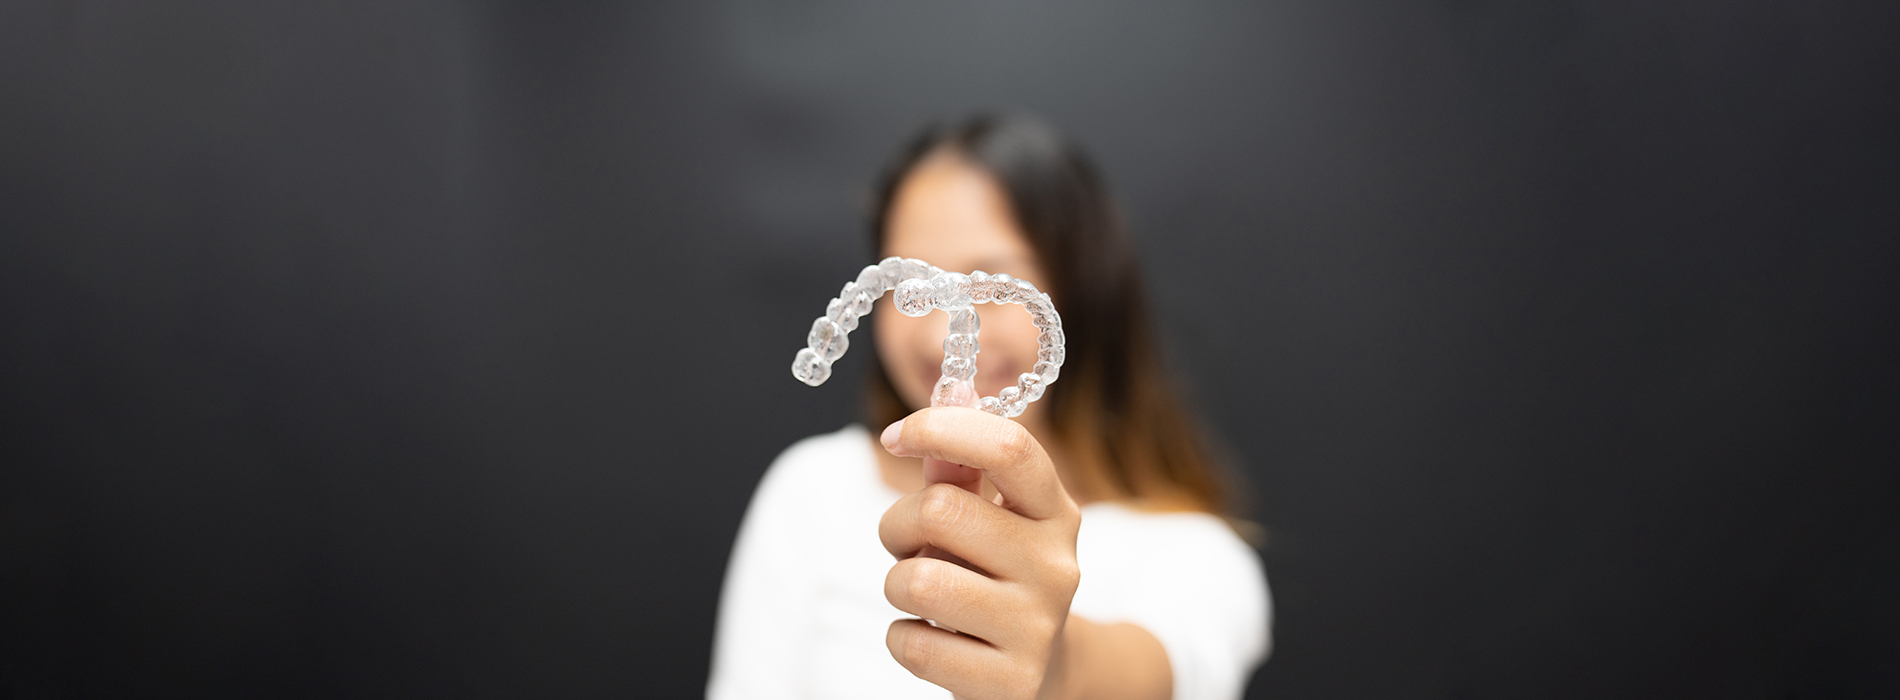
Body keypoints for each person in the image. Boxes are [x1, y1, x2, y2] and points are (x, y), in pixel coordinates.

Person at [708, 113, 1270, 700]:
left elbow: (1163, 669)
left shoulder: (1196, 558)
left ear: (1083, 292)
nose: (935, 340)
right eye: (910, 291)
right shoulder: (810, 490)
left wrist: (1054, 667)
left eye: (993, 283)